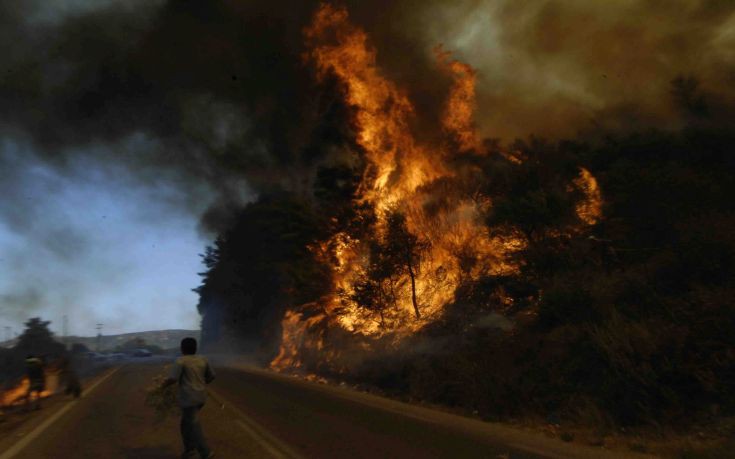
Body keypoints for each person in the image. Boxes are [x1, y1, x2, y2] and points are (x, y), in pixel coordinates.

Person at [162, 338, 215, 459]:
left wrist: (162, 386)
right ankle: (189, 450)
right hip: (201, 397)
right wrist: (201, 384)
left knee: (193, 424)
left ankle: (205, 452)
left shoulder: (180, 361)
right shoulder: (203, 359)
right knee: (185, 423)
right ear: (195, 348)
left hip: (188, 398)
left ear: (182, 348)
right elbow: (212, 376)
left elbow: (173, 378)